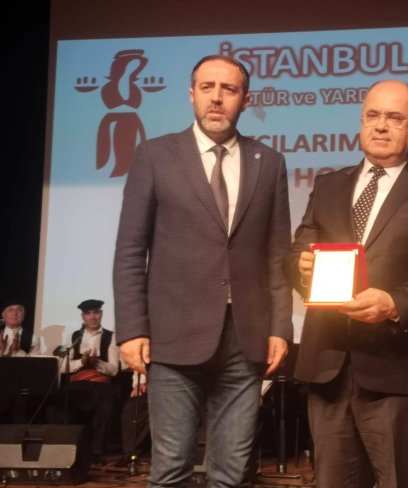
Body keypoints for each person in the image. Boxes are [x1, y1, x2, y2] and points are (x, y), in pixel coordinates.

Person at [113, 54, 293, 488]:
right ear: (191, 94)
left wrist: (280, 328)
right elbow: (131, 249)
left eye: (228, 89)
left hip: (245, 339)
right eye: (207, 87)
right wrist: (132, 329)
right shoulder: (155, 155)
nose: (217, 98)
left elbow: (276, 254)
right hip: (172, 337)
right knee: (171, 469)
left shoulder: (268, 161)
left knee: (232, 474)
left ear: (245, 100)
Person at [285, 79, 408, 488]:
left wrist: (393, 303)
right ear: (361, 121)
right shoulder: (328, 185)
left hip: (396, 368)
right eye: (373, 115)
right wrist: (302, 268)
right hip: (328, 365)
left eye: (395, 118)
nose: (381, 126)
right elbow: (295, 253)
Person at [48, 298, 120, 465]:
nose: (92, 317)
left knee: (106, 406)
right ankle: (66, 449)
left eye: (96, 312)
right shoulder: (74, 336)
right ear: (83, 317)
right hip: (77, 386)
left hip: (100, 385)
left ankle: (96, 453)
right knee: (53, 408)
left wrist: (96, 363)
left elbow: (114, 369)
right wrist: (81, 362)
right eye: (88, 313)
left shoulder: (111, 337)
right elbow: (62, 367)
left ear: (101, 314)